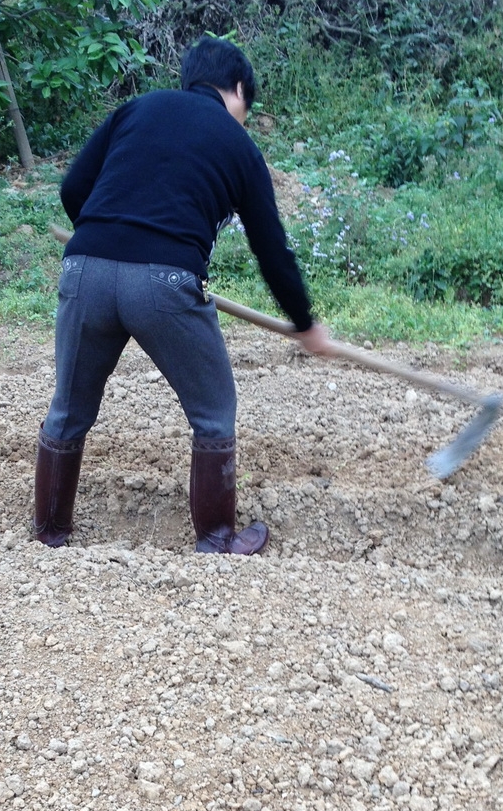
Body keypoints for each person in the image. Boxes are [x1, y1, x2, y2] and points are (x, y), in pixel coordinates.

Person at [33, 35, 334, 554]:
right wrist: (304, 322)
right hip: (164, 285)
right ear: (237, 88)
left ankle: (49, 532)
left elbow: (72, 188)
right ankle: (217, 538)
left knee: (69, 408)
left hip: (84, 271)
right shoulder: (239, 145)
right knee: (214, 410)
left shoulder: (137, 110)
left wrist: (108, 244)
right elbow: (271, 250)